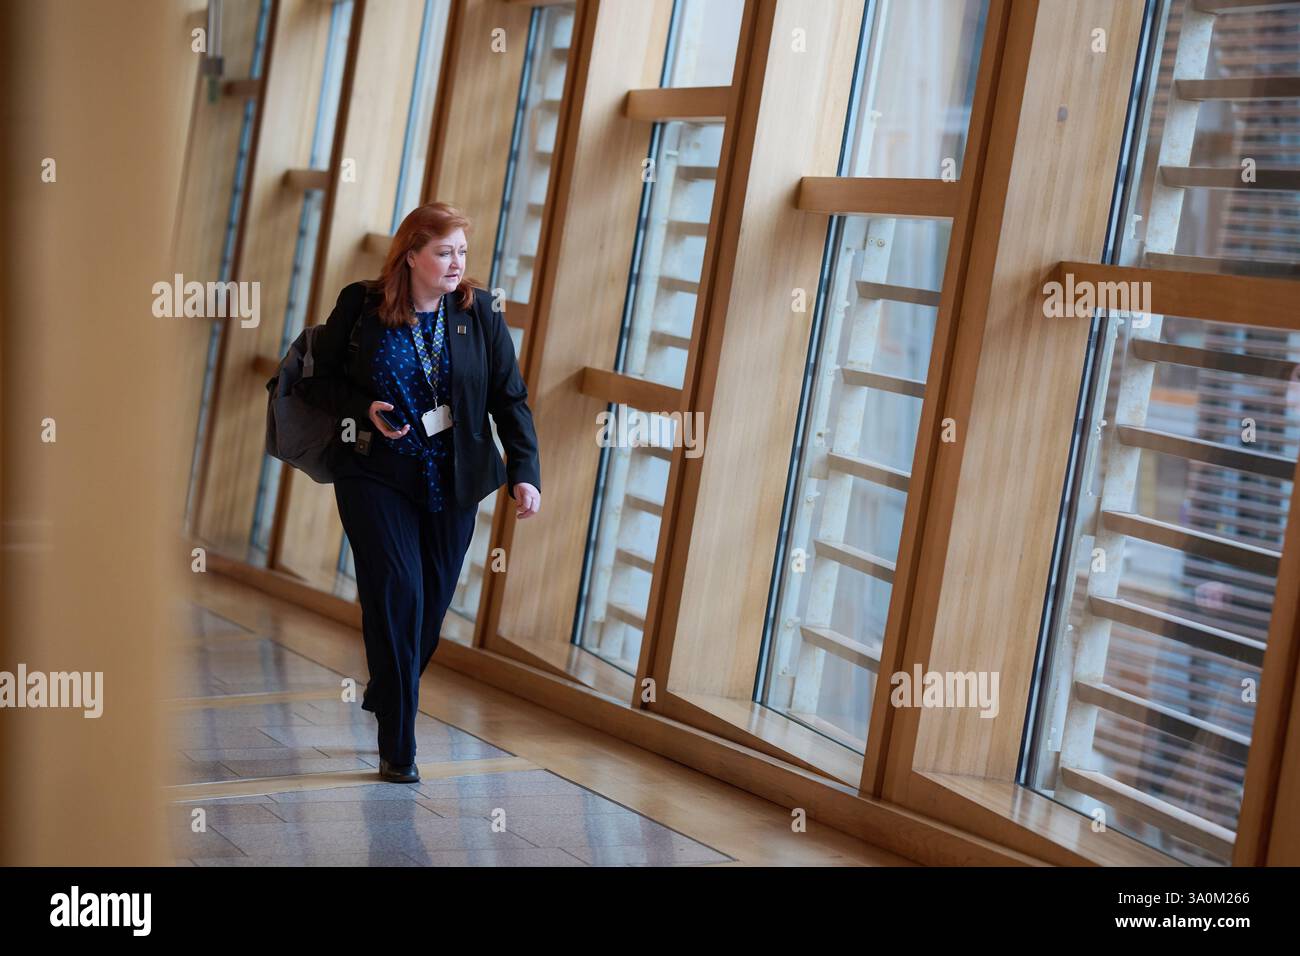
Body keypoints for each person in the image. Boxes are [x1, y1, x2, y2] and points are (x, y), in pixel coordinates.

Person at [294, 201, 540, 783]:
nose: (456, 263)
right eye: (443, 251)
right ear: (410, 255)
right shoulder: (363, 304)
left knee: (428, 610)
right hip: (375, 474)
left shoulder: (478, 312)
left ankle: (388, 687)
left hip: (454, 480)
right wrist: (362, 408)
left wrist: (524, 471)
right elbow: (317, 381)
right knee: (398, 591)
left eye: (462, 251)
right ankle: (398, 746)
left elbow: (509, 397)